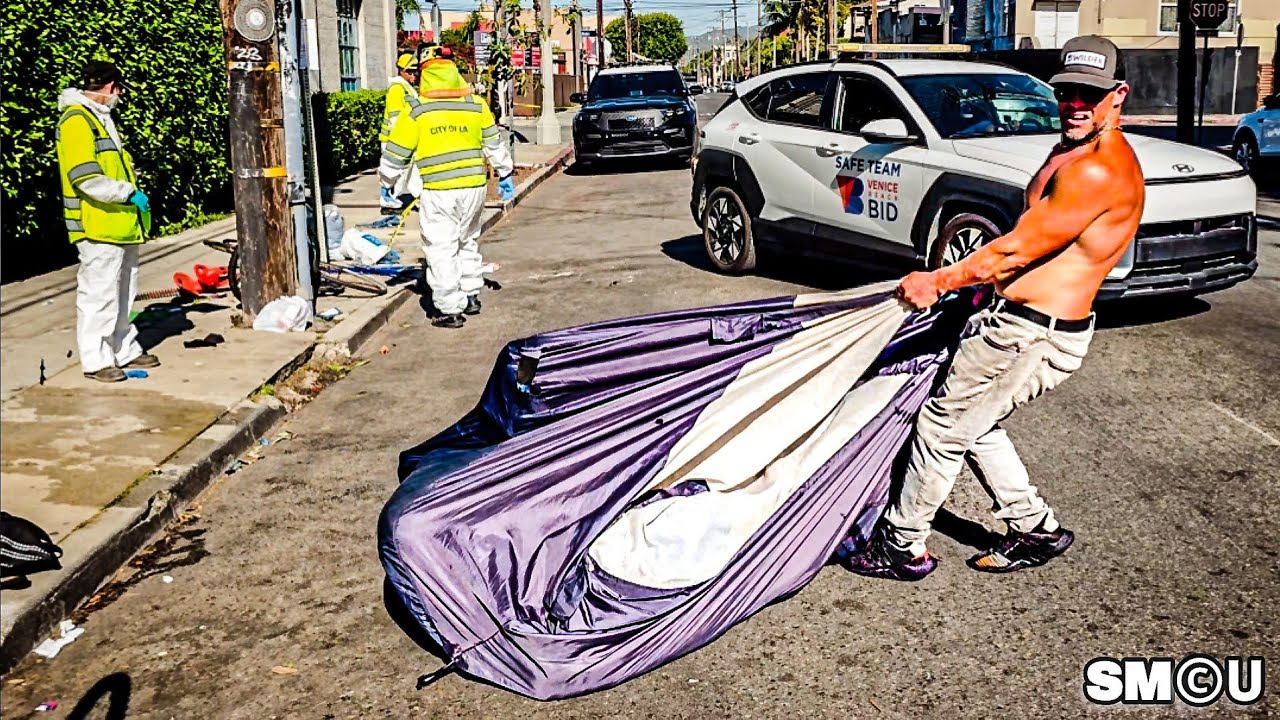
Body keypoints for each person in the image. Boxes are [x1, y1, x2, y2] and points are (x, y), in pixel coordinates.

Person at [846, 36, 1145, 580]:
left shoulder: (1098, 169)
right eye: (1068, 91)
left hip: (1031, 335)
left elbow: (1015, 247)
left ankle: (901, 545)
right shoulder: (1070, 149)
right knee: (977, 425)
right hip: (1026, 324)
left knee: (942, 427)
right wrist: (990, 286)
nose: (1077, 104)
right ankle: (1034, 527)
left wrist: (939, 280)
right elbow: (1035, 237)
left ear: (1118, 95)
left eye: (1092, 95)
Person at [378, 48, 515, 329]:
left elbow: (395, 155)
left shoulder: (417, 110)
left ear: (426, 76)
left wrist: (387, 182)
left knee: (441, 248)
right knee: (467, 240)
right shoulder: (476, 105)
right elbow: (494, 144)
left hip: (439, 191)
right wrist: (504, 173)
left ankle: (449, 309)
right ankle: (471, 294)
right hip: (474, 188)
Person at [57, 60, 160, 383]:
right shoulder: (77, 121)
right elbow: (84, 177)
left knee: (123, 293)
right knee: (99, 294)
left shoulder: (100, 119)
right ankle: (96, 358)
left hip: (119, 222)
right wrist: (126, 192)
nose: (118, 96)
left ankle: (123, 348)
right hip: (97, 222)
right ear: (112, 87)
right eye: (118, 90)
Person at [379, 52, 425, 214]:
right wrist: (403, 138)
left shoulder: (407, 88)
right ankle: (387, 197)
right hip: (395, 139)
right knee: (395, 171)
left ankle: (417, 197)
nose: (414, 75)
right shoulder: (397, 89)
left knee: (410, 170)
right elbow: (395, 118)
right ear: (401, 71)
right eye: (410, 72)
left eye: (415, 72)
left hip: (403, 138)